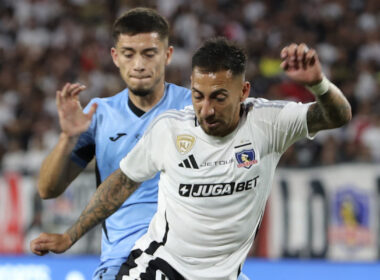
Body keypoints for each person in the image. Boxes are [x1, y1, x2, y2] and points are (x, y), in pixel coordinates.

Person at [31, 38, 352, 279]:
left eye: (219, 97)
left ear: (244, 92)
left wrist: (318, 85)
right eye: (198, 96)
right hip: (163, 267)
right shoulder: (170, 129)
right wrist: (69, 236)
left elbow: (337, 116)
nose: (206, 109)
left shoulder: (269, 123)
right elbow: (121, 182)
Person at [34, 7, 193, 280]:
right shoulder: (99, 114)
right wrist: (67, 137)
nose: (139, 64)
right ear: (115, 57)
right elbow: (48, 189)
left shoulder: (193, 107)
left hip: (187, 257)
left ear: (167, 55)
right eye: (129, 54)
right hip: (123, 259)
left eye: (149, 53)